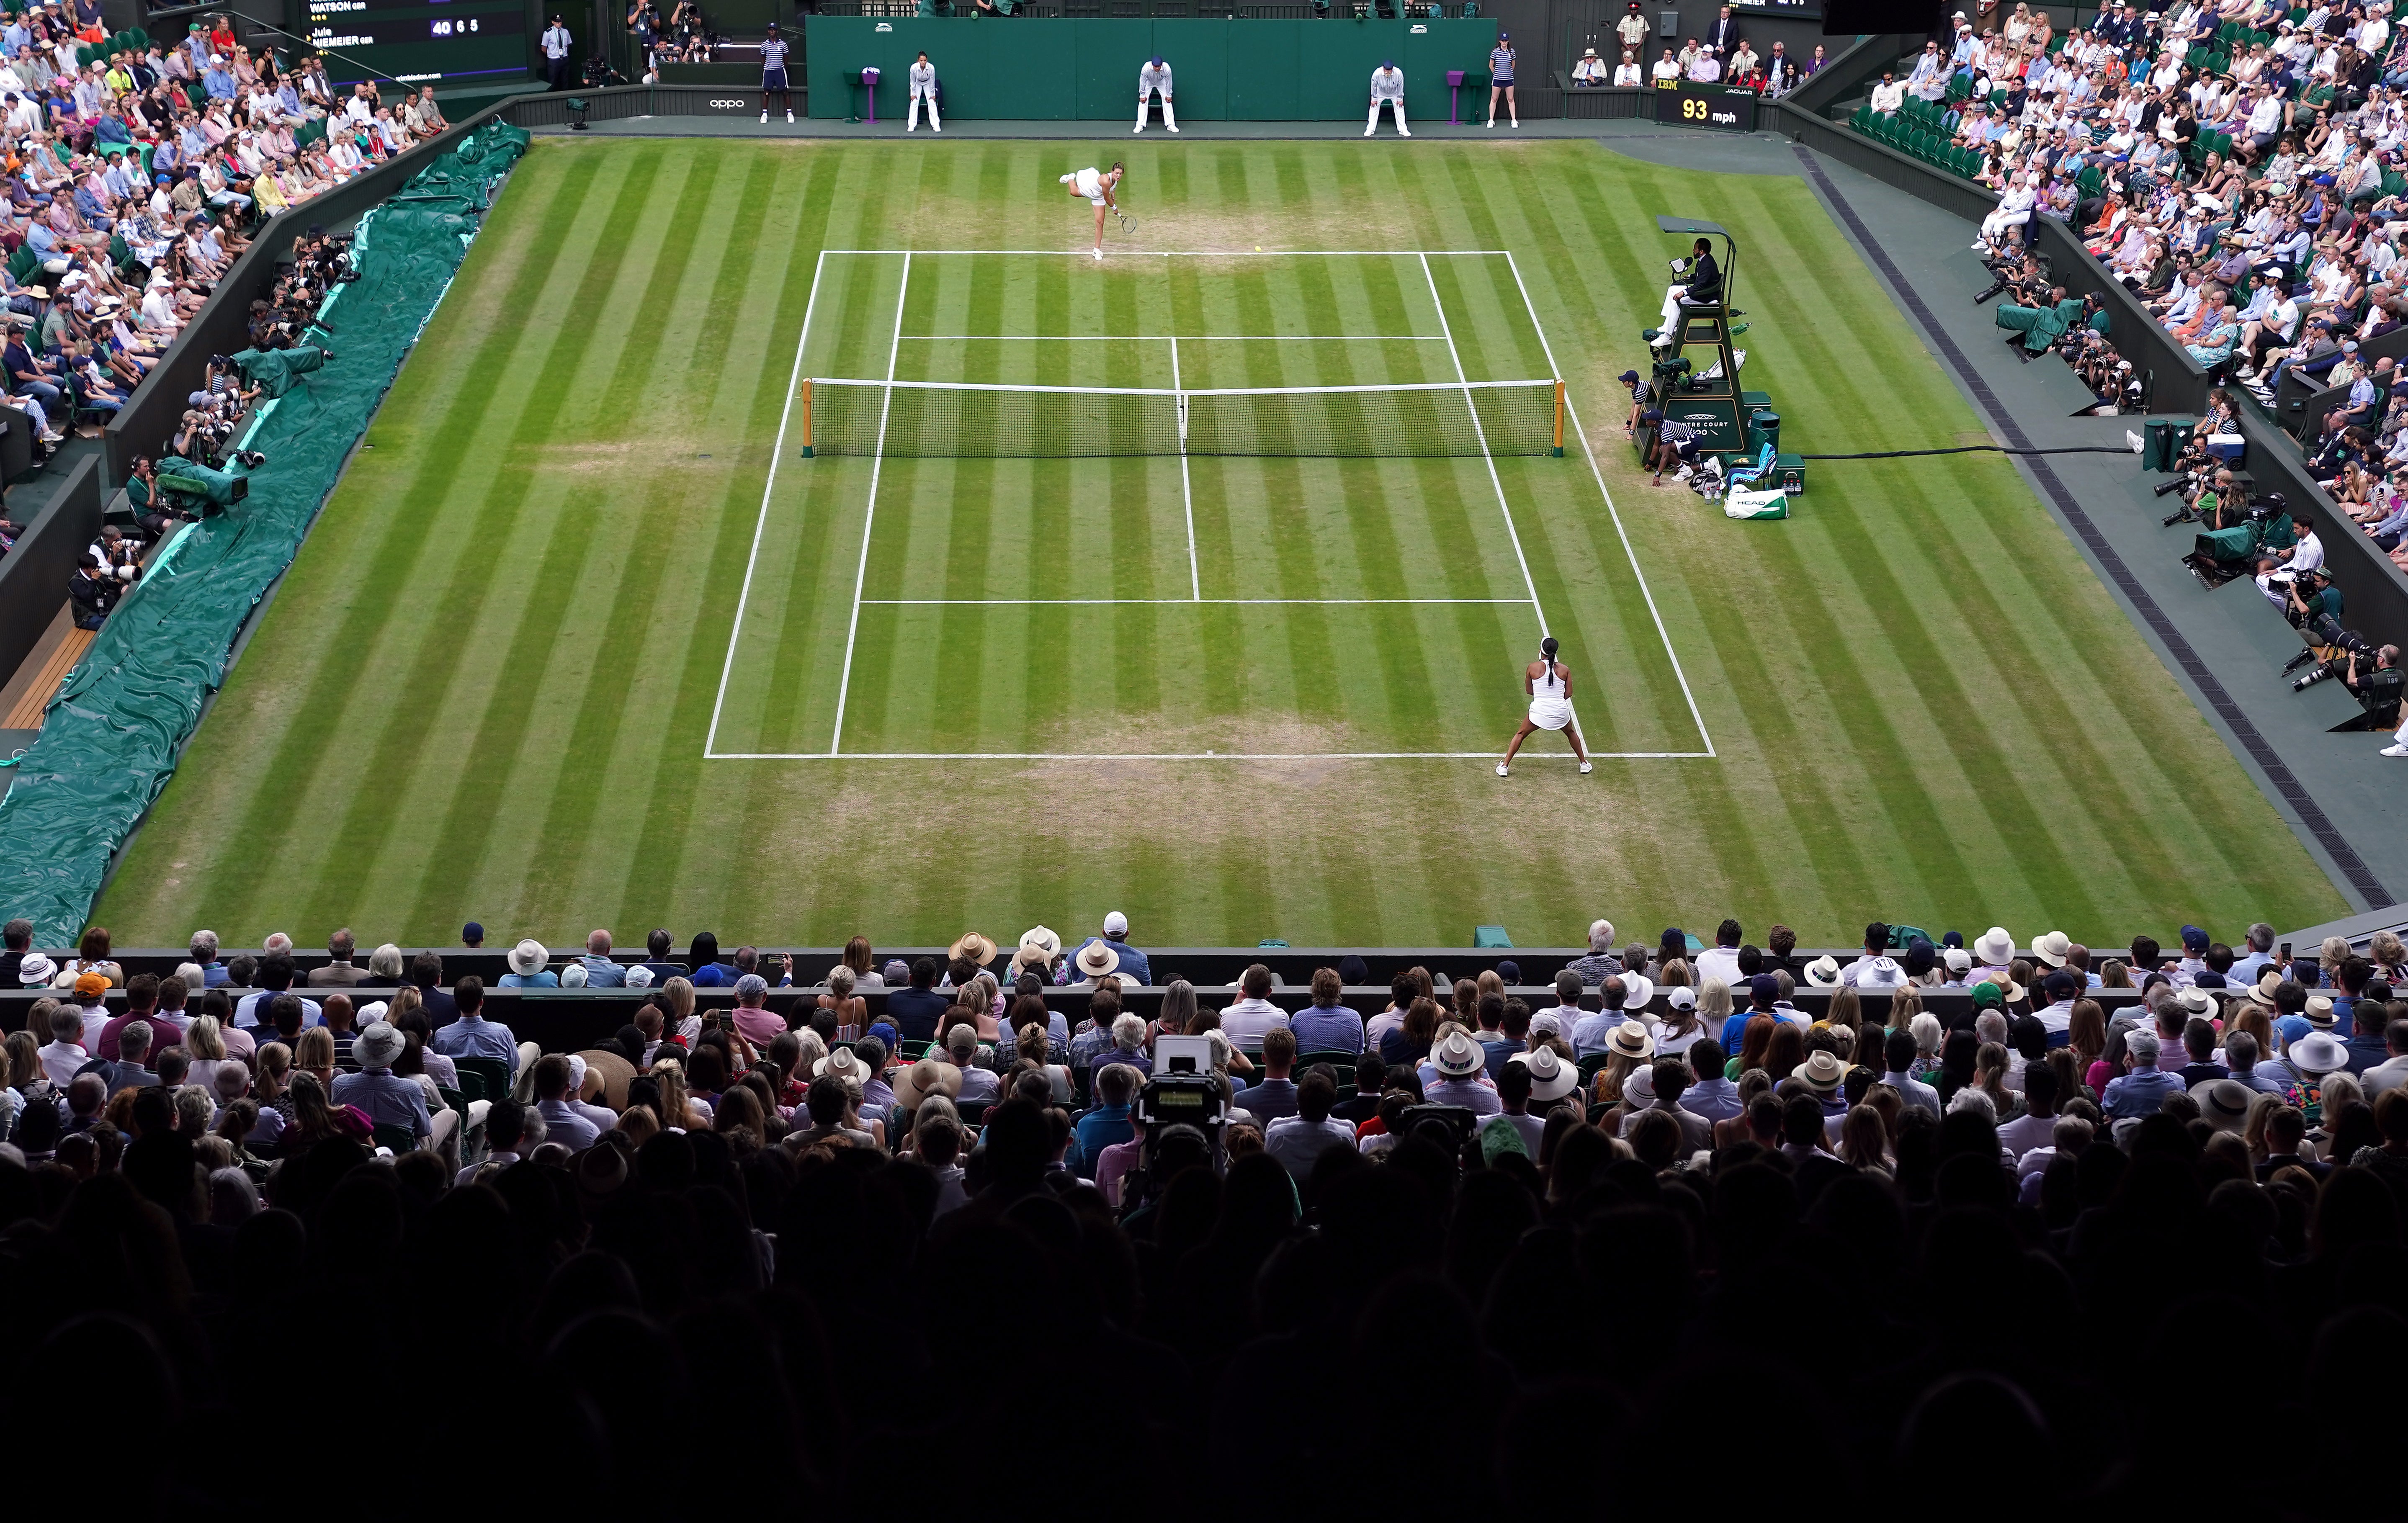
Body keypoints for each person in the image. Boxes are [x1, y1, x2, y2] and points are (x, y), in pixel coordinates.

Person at [1496, 635, 1594, 777]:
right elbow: (1569, 694)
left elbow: (1529, 691)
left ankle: (1504, 767)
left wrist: (1544, 698)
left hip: (1539, 713)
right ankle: (1584, 764)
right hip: (1560, 712)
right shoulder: (1565, 670)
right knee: (1571, 732)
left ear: (1542, 651)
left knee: (1521, 734)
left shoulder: (1532, 668)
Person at [1654, 236, 1722, 351]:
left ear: (1701, 251)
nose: (1693, 250)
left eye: (1695, 249)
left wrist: (1684, 292)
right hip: (1702, 291)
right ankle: (1670, 324)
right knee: (1672, 290)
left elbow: (1700, 285)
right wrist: (1691, 276)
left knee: (1678, 301)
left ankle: (1667, 337)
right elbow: (1701, 276)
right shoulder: (1705, 260)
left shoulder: (1707, 264)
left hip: (1707, 297)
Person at [1058, 161, 1123, 261]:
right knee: (1073, 192)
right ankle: (1070, 178)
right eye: (1117, 173)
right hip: (1090, 187)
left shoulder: (1115, 180)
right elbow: (1107, 198)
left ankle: (1096, 250)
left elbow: (1111, 189)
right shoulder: (1106, 181)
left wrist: (1113, 193)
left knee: (1100, 223)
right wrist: (1114, 208)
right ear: (1112, 172)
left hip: (1099, 196)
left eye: (1120, 174)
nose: (1118, 176)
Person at [759, 21, 791, 123]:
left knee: (785, 92)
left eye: (773, 30)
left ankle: (790, 114)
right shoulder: (764, 45)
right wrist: (768, 67)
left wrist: (780, 67)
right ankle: (764, 115)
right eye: (770, 30)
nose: (772, 32)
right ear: (768, 32)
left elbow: (786, 59)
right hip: (769, 71)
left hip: (780, 71)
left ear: (777, 31)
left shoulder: (783, 44)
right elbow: (763, 59)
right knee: (766, 93)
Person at [1367, 59, 1407, 137]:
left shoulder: (1399, 73)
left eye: (1390, 70)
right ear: (1383, 68)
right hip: (1380, 93)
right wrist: (1374, 99)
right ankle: (1370, 129)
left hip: (1394, 93)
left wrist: (1400, 99)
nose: (1388, 72)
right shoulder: (1377, 73)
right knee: (1373, 107)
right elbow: (1374, 86)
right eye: (1386, 70)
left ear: (1392, 69)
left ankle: (1403, 130)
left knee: (1400, 107)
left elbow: (1401, 86)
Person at [1135, 54, 1173, 134]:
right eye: (1155, 66)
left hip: (1161, 82)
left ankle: (1170, 125)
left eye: (1158, 66)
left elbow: (1169, 82)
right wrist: (1142, 95)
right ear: (1152, 65)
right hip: (1148, 82)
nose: (1156, 68)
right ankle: (1140, 125)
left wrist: (1169, 95)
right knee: (1143, 102)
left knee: (1167, 101)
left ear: (1161, 65)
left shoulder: (1167, 69)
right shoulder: (1146, 69)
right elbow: (1142, 82)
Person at [1487, 31, 1517, 127]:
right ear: (1500, 41)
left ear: (1508, 41)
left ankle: (1514, 120)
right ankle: (1491, 120)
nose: (1504, 42)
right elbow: (1491, 66)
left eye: (1506, 41)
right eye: (1503, 41)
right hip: (1497, 80)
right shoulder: (1495, 52)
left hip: (1509, 80)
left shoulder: (1512, 52)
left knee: (1511, 99)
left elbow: (1513, 65)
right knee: (1494, 99)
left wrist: (1507, 73)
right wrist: (1498, 74)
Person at [907, 50, 937, 133]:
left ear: (927, 60)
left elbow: (932, 82)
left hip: (928, 83)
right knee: (914, 103)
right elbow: (912, 82)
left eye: (925, 60)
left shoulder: (931, 68)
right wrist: (913, 94)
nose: (923, 62)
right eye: (921, 60)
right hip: (917, 83)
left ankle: (936, 125)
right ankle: (912, 125)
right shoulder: (913, 68)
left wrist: (932, 94)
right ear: (918, 60)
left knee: (932, 102)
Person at [541, 14, 572, 91]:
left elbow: (568, 44)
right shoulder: (548, 33)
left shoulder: (565, 32)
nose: (559, 24)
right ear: (553, 22)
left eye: (560, 22)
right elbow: (544, 48)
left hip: (564, 59)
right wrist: (551, 54)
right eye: (557, 22)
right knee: (553, 81)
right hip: (554, 61)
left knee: (565, 80)